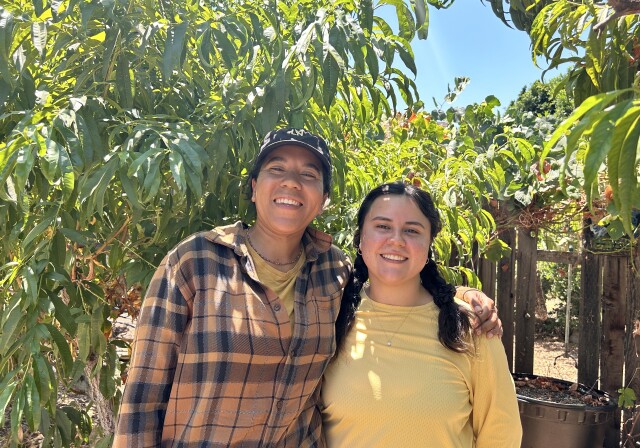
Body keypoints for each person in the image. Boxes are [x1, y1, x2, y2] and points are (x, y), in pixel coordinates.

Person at [113, 129, 501, 447]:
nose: (291, 182)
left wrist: (464, 297)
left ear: (323, 200)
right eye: (276, 168)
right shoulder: (194, 263)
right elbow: (142, 398)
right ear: (253, 187)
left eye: (309, 175)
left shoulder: (333, 272)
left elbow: (397, 283)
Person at [321, 182, 521, 447]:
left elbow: (501, 433)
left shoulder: (470, 326)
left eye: (412, 231)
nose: (396, 240)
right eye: (382, 226)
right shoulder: (331, 317)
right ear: (360, 239)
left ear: (429, 245)